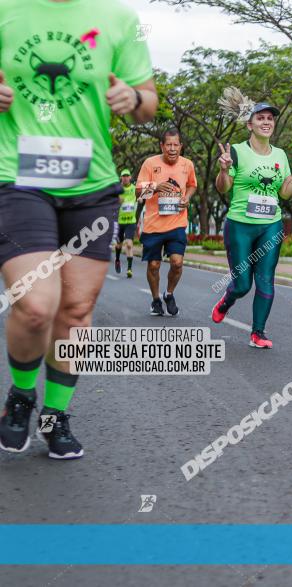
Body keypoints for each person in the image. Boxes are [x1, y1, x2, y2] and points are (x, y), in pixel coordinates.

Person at [0, 0, 157, 459]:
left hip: (92, 187)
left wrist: (134, 99)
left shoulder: (119, 18)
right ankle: (21, 396)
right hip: (19, 178)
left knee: (75, 311)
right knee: (35, 305)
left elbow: (148, 102)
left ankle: (54, 417)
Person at [212, 100, 292, 349]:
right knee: (241, 285)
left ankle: (258, 332)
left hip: (270, 225)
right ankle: (226, 302)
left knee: (266, 281)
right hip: (240, 225)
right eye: (260, 118)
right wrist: (223, 170)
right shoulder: (237, 152)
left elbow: (284, 192)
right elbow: (223, 187)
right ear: (250, 124)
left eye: (270, 118)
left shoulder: (280, 155)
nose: (266, 122)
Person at [135, 128, 197, 317]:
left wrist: (187, 197)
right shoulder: (150, 163)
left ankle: (169, 294)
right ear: (162, 146)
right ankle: (155, 300)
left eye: (175, 145)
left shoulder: (187, 165)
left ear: (181, 146)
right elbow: (137, 192)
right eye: (168, 144)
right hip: (154, 225)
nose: (172, 148)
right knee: (154, 265)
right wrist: (155, 187)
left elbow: (192, 185)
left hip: (177, 223)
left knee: (177, 263)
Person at [114, 168, 137, 278]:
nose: (126, 178)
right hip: (119, 222)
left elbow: (141, 195)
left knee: (129, 244)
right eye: (123, 176)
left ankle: (129, 268)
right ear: (121, 178)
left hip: (130, 221)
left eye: (127, 176)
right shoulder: (118, 190)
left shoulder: (134, 188)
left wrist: (141, 198)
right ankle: (117, 260)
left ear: (130, 177)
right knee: (119, 245)